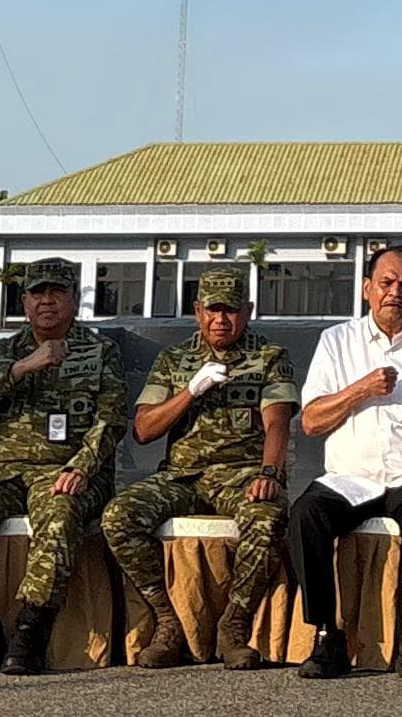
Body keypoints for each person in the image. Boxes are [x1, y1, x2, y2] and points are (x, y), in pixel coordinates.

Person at [0, 256, 130, 677]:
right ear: (24, 301)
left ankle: (30, 632)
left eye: (57, 292)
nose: (47, 301)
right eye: (38, 292)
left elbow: (111, 419)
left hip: (67, 468)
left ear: (74, 300)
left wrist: (82, 467)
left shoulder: (99, 351)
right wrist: (21, 368)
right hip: (1, 470)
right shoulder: (3, 352)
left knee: (59, 514)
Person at [98, 266, 299, 668]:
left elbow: (277, 422)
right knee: (119, 517)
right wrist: (190, 391)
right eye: (213, 310)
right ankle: (168, 620)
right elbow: (143, 429)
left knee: (267, 517)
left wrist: (269, 474)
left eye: (231, 310)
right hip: (182, 476)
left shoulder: (269, 357)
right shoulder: (174, 360)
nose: (221, 320)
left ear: (248, 310)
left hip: (241, 474)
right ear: (197, 311)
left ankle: (234, 625)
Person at [286, 243, 402, 678]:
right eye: (386, 283)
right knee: (305, 514)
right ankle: (328, 636)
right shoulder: (336, 342)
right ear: (367, 289)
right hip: (350, 478)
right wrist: (359, 390)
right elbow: (311, 421)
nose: (395, 293)